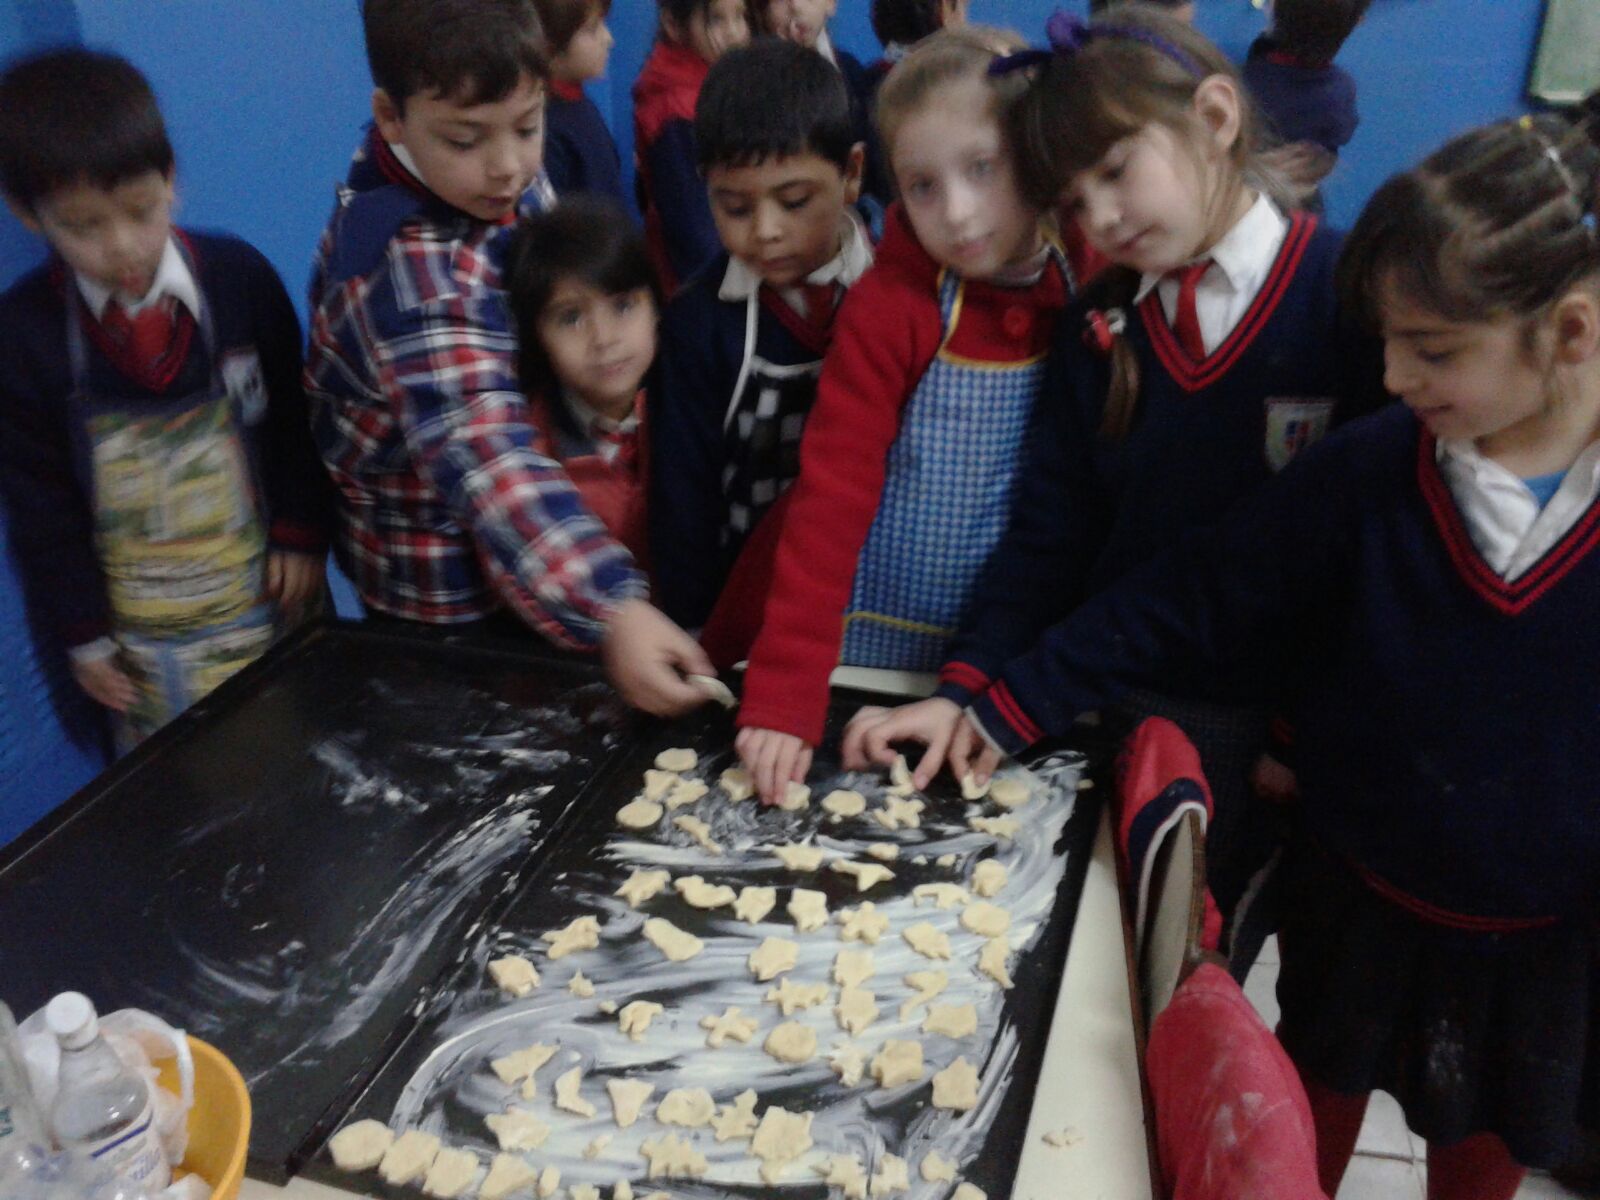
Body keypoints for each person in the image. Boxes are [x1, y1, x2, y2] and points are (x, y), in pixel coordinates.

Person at [852, 107, 1600, 1200]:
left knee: (1484, 1159)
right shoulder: (1373, 470)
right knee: (1296, 1134)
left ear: (1570, 333)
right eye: (1388, 341)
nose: (1392, 374)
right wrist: (997, 707)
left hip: (1542, 945)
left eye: (1433, 350)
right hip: (1353, 902)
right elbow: (1187, 596)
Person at [842, 8, 1381, 933]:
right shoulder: (1097, 327)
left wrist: (1303, 734)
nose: (1099, 219)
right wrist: (964, 689)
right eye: (1073, 198)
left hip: (1258, 743)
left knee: (1186, 969)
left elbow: (1358, 568)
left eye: (1117, 172)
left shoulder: (1343, 302)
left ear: (1215, 118)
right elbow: (1050, 537)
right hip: (1091, 704)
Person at [307, 0, 711, 716]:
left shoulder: (491, 183)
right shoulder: (412, 277)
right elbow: (490, 461)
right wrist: (613, 607)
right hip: (444, 600)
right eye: (465, 140)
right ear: (391, 118)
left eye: (528, 127)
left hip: (532, 558)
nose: (508, 167)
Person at [733, 28, 1075, 803]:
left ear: (1036, 155)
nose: (956, 212)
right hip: (869, 646)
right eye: (922, 186)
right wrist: (787, 688)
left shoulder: (1080, 284)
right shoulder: (892, 309)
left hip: (992, 650)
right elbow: (830, 498)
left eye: (982, 168)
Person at [0, 49, 331, 747]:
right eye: (83, 227)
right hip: (141, 651)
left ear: (171, 179)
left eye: (140, 211)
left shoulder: (239, 280)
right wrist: (85, 636)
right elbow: (40, 508)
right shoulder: (24, 336)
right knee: (178, 785)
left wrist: (301, 531)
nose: (122, 246)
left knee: (305, 755)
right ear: (28, 215)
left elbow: (295, 422)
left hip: (267, 606)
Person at [649, 38, 872, 632]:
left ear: (851, 173)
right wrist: (694, 628)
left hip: (870, 601)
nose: (767, 231)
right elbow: (683, 501)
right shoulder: (697, 323)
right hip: (744, 610)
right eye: (735, 208)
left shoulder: (892, 295)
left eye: (794, 201)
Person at [505, 197, 658, 563]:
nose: (604, 339)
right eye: (570, 318)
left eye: (623, 306)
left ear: (656, 308)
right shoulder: (526, 451)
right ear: (537, 336)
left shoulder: (697, 407)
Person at [632, 0, 750, 293]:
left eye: (740, 16)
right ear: (673, 25)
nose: (734, 32)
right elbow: (695, 232)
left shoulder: (717, 83)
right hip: (707, 286)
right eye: (716, 20)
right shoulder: (678, 111)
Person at [1242, 0, 1370, 211]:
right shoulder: (1340, 90)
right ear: (1357, 22)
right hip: (1298, 184)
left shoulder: (1249, 75)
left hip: (1248, 174)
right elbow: (1342, 133)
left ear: (1274, 8)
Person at [533, 0, 629, 208]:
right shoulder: (547, 128)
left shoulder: (581, 106)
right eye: (592, 29)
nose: (608, 39)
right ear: (549, 45)